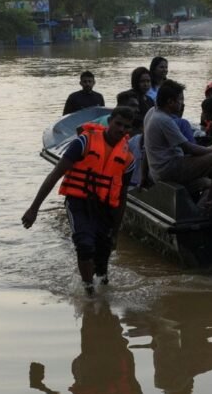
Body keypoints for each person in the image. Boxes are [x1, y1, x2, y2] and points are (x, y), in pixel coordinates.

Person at [23, 106, 136, 295]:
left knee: (102, 261)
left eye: (126, 127)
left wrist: (115, 232)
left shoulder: (128, 159)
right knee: (84, 245)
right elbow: (56, 174)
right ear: (109, 122)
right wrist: (33, 209)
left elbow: (122, 196)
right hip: (78, 202)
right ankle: (88, 291)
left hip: (105, 208)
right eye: (118, 124)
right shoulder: (84, 142)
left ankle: (102, 295)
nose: (121, 130)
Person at [142, 80, 212, 213]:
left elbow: (145, 149)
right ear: (170, 102)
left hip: (159, 170)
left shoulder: (151, 112)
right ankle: (208, 206)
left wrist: (143, 178)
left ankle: (198, 210)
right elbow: (189, 148)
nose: (182, 103)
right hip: (170, 169)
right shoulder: (164, 120)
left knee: (209, 183)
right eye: (180, 100)